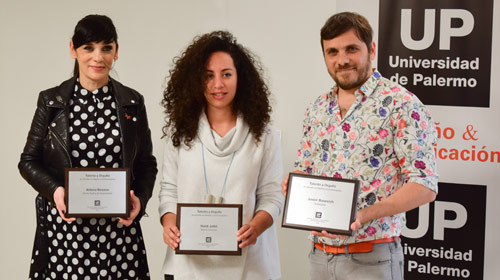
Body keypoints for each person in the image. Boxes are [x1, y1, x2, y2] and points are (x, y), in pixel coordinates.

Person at [281, 12, 438, 280]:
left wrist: (362, 215)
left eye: (351, 49)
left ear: (371, 49)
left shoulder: (402, 104)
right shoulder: (317, 109)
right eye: (332, 52)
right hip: (318, 257)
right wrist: (296, 185)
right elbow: (305, 168)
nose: (342, 60)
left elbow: (424, 186)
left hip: (371, 259)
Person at [18, 15, 157, 279]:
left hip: (119, 234)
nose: (98, 57)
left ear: (116, 51)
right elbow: (28, 161)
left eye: (106, 48)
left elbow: (146, 163)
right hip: (65, 234)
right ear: (73, 49)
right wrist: (55, 191)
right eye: (88, 48)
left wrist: (140, 198)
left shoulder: (132, 102)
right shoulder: (51, 102)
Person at [159, 31, 283, 280]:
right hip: (187, 266)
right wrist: (169, 223)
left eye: (226, 74)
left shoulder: (266, 136)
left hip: (251, 267)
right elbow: (169, 191)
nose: (218, 84)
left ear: (240, 78)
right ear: (196, 81)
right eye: (209, 76)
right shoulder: (180, 134)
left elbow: (272, 196)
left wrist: (256, 227)